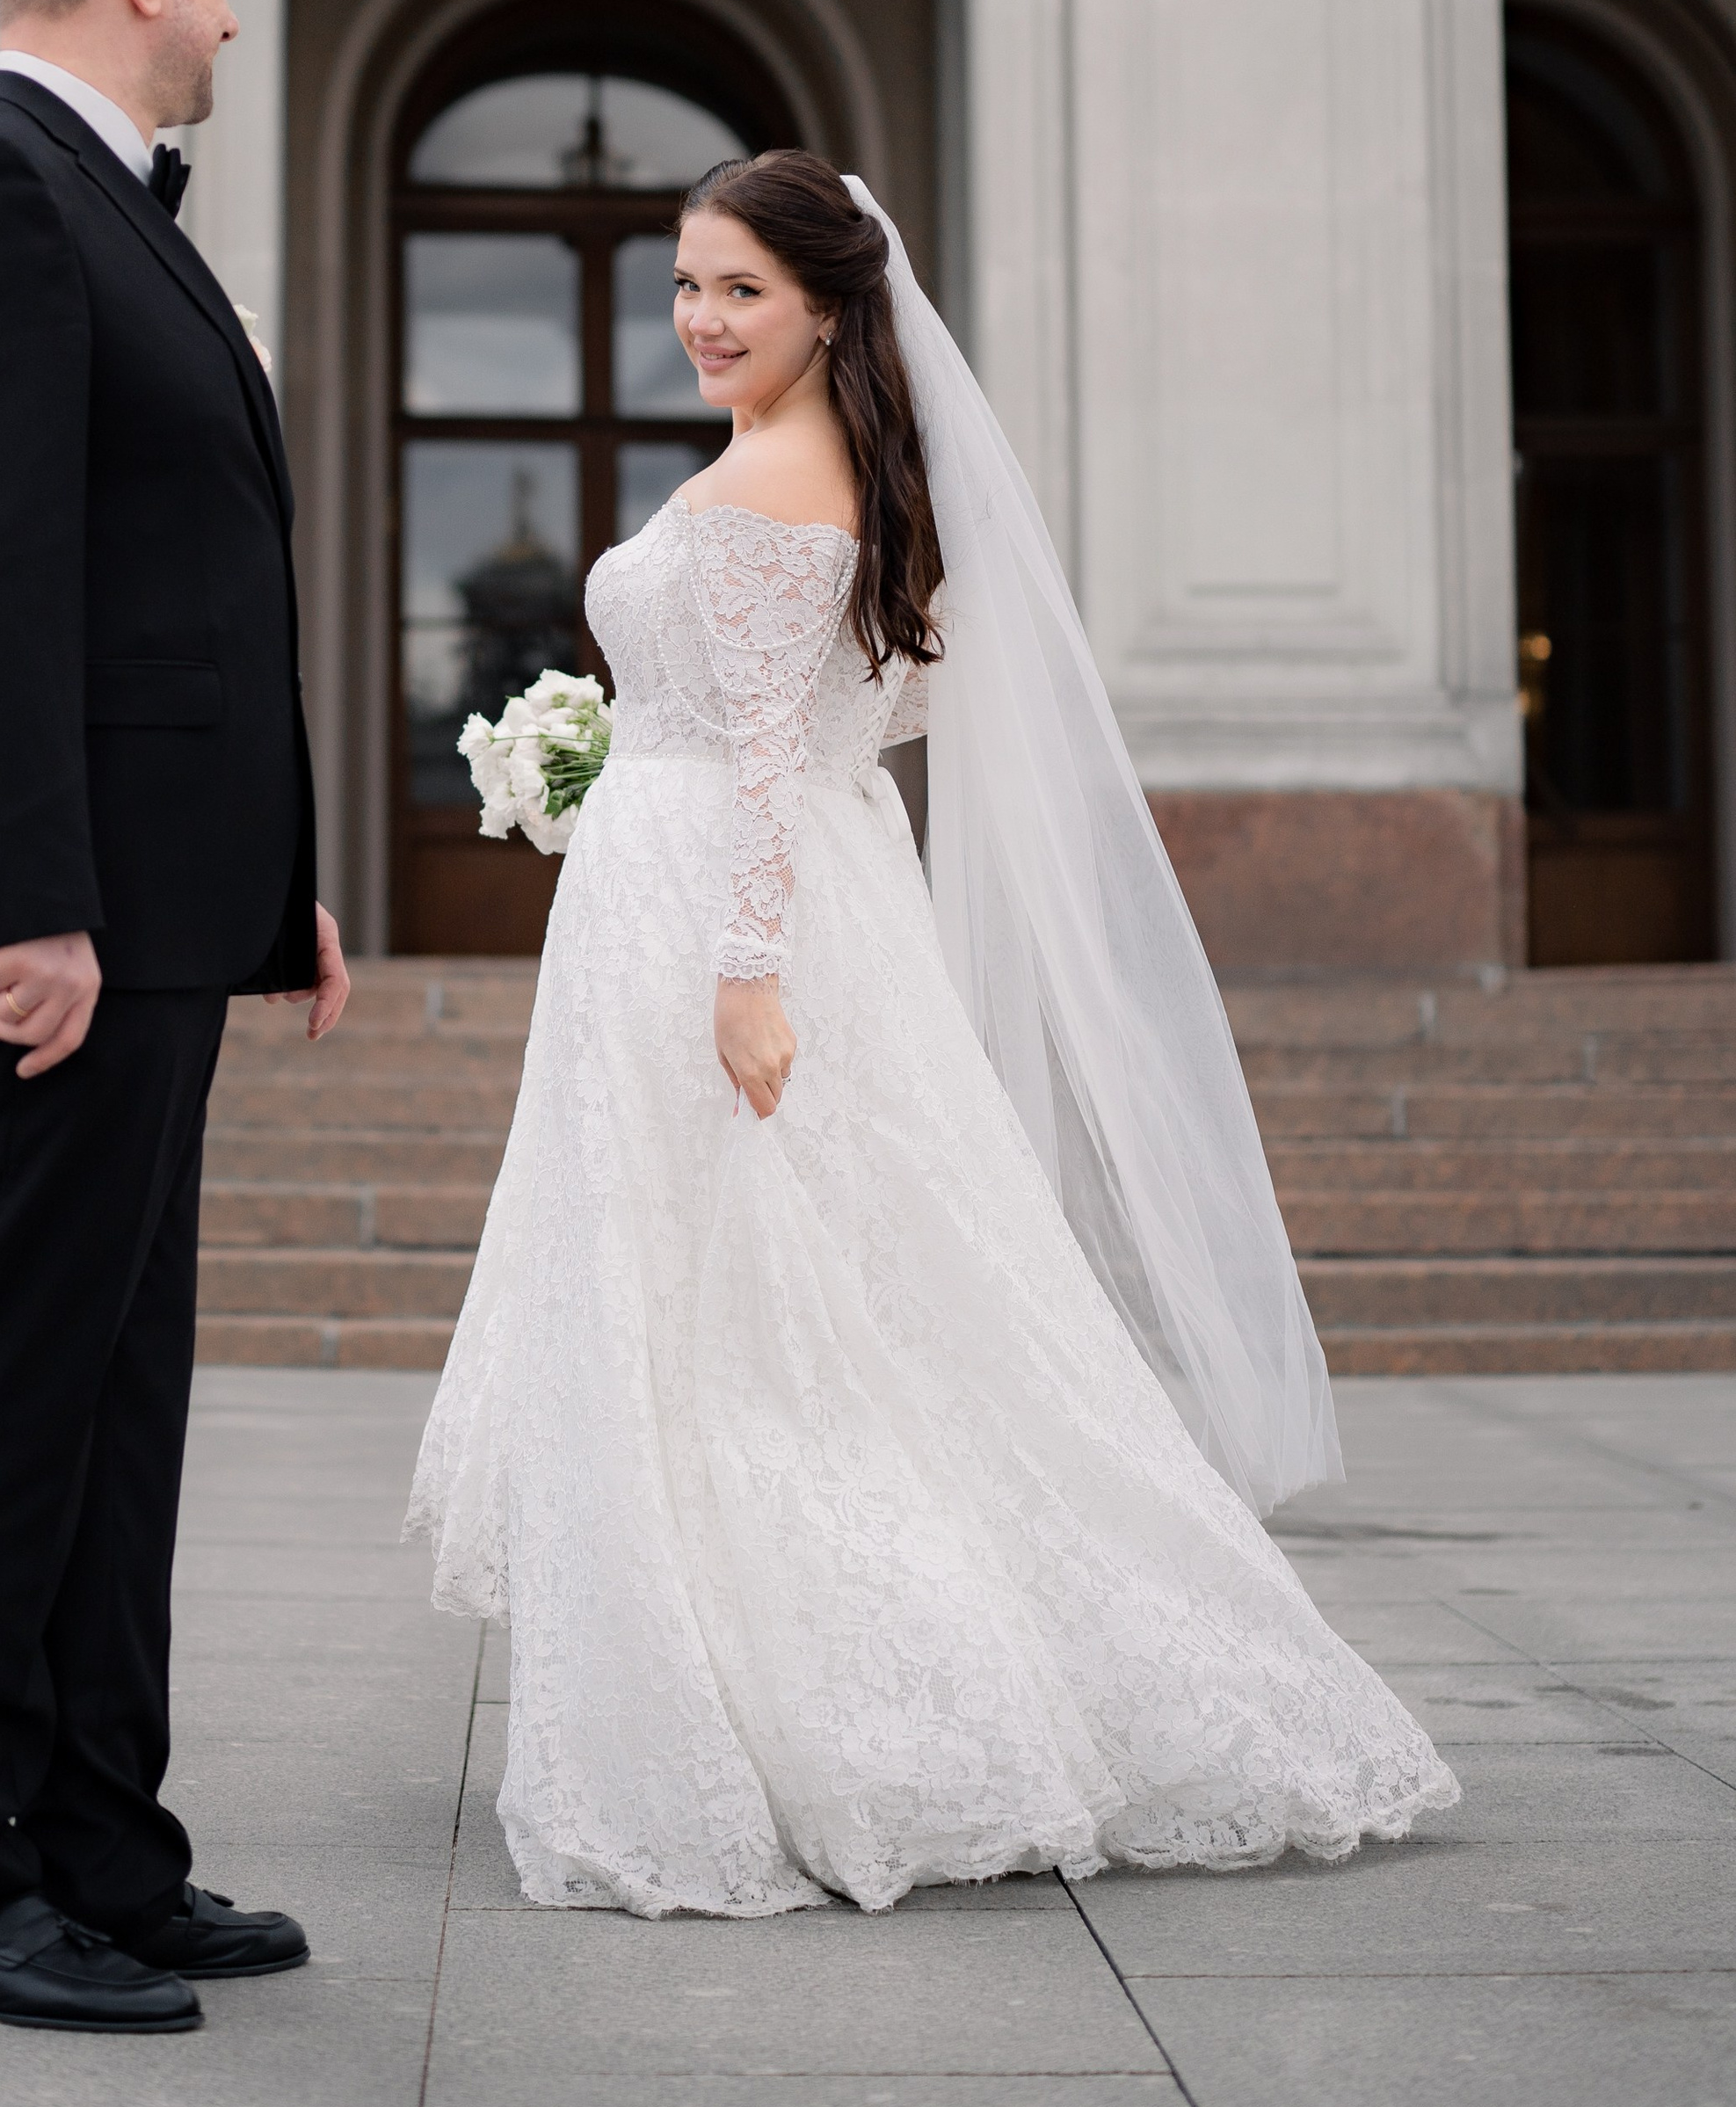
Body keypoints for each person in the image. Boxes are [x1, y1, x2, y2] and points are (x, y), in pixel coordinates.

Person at [409, 149, 1456, 1916]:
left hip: (722, 927)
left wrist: (744, 969)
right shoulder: (813, 465)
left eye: (739, 287)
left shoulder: (787, 474)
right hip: (715, 887)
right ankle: (771, 1674)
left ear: (826, 302)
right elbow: (850, 709)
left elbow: (761, 757)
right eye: (684, 284)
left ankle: (834, 1700)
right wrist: (618, 767)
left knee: (756, 1313)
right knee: (789, 1302)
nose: (701, 319)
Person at [0, 0, 350, 2030]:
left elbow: (174, 588)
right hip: (51, 928)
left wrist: (272, 885)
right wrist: (30, 903)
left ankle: (103, 1852)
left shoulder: (115, 222)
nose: (237, 13)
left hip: (158, 912)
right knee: (5, 1397)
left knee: (115, 1401)